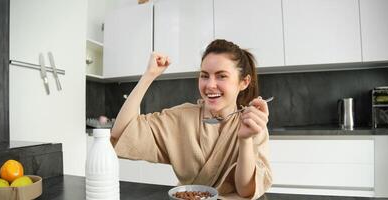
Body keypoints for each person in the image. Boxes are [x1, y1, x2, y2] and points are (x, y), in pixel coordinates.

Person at [110, 39, 272, 199]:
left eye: (221, 76)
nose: (210, 85)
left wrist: (245, 139)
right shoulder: (181, 117)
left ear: (244, 82)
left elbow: (246, 191)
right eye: (204, 76)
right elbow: (121, 132)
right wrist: (148, 76)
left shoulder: (253, 124)